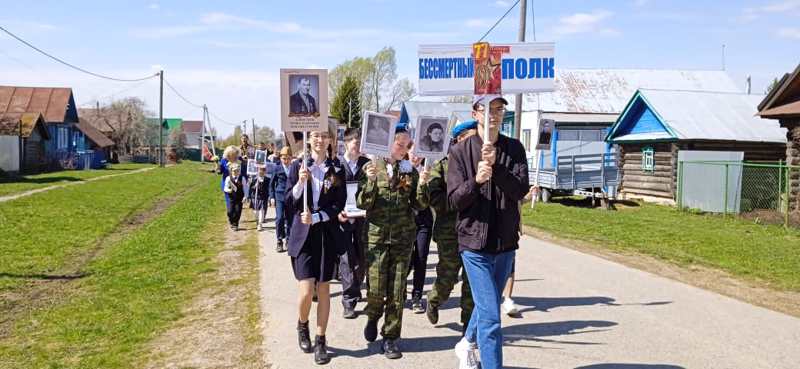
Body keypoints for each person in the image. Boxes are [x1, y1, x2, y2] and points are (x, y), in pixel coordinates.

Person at [447, 95, 529, 369]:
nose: (494, 115)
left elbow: (520, 190)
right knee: (492, 318)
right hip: (474, 245)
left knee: (488, 304)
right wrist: (477, 180)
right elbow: (454, 200)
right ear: (476, 113)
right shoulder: (460, 152)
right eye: (487, 109)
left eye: (499, 109)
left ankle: (466, 342)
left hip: (505, 243)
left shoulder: (514, 149)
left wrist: (498, 168)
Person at [358, 123, 424, 359]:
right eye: (400, 144)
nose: (403, 149)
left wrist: (423, 183)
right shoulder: (372, 167)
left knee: (397, 291)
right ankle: (373, 314)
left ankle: (390, 337)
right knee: (375, 289)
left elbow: (419, 204)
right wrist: (369, 182)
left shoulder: (410, 171)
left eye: (407, 146)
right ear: (389, 143)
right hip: (376, 238)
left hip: (402, 238)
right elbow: (362, 203)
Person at [285, 129, 346, 365]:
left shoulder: (336, 170)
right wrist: (300, 184)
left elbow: (338, 204)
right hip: (303, 238)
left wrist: (318, 217)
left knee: (323, 289)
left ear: (330, 140)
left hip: (325, 236)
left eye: (325, 136)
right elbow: (290, 202)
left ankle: (321, 340)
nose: (321, 140)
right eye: (316, 136)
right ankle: (302, 324)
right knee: (306, 291)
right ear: (309, 139)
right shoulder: (298, 166)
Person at [421, 121, 477, 333]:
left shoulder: (478, 165)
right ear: (459, 139)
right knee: (449, 275)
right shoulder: (442, 165)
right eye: (470, 137)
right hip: (449, 231)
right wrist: (459, 199)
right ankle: (434, 299)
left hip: (474, 230)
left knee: (472, 278)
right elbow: (435, 199)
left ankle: (468, 326)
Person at [337, 128, 370, 319]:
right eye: (353, 142)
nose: (356, 145)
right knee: (346, 259)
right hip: (343, 217)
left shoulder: (367, 164)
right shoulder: (339, 165)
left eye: (359, 142)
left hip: (363, 218)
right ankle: (348, 301)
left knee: (362, 257)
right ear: (346, 144)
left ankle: (356, 286)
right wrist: (338, 212)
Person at [406, 147, 432, 314]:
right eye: (412, 152)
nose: (415, 156)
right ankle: (399, 290)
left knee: (421, 258)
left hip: (423, 220)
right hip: (405, 221)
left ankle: (417, 297)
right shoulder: (401, 169)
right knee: (405, 259)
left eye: (419, 153)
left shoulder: (428, 171)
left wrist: (426, 182)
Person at [271, 146, 293, 253]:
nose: (286, 161)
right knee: (279, 218)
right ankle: (279, 240)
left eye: (288, 158)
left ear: (291, 158)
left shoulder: (294, 168)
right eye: (284, 158)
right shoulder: (277, 168)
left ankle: (288, 240)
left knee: (290, 219)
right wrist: (271, 198)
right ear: (280, 158)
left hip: (290, 197)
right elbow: (271, 184)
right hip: (279, 196)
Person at [224, 163, 246, 231]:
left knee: (238, 211)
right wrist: (229, 190)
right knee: (230, 211)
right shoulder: (228, 178)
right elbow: (225, 188)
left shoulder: (242, 178)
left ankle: (235, 224)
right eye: (234, 170)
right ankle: (231, 221)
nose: (235, 172)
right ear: (231, 171)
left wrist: (245, 196)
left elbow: (245, 188)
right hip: (231, 198)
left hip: (239, 198)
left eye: (237, 170)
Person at [219, 146, 241, 214]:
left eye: (234, 153)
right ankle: (230, 214)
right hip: (227, 183)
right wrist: (218, 167)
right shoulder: (223, 160)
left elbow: (243, 171)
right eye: (231, 153)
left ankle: (235, 216)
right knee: (229, 200)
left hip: (237, 184)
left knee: (237, 201)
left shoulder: (239, 159)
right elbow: (220, 172)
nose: (233, 155)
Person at [251, 165, 270, 232]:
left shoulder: (267, 179)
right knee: (255, 212)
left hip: (263, 197)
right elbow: (250, 188)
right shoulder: (254, 179)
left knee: (262, 211)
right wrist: (254, 186)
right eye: (260, 170)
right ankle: (257, 221)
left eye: (263, 170)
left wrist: (270, 197)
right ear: (258, 170)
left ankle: (260, 224)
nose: (261, 172)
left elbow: (269, 189)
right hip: (255, 198)